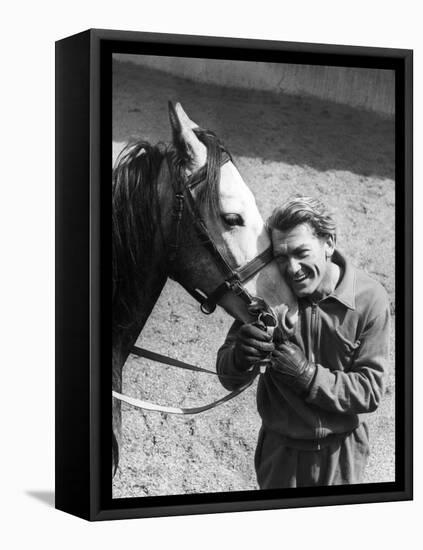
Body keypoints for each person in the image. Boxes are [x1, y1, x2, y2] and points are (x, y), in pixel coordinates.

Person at [216, 196, 390, 488]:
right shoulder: (268, 292)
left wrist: (308, 376)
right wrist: (239, 356)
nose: (291, 268)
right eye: (281, 257)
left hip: (341, 455)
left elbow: (370, 391)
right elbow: (227, 376)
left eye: (301, 252)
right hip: (281, 454)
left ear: (329, 243)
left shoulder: (369, 299)